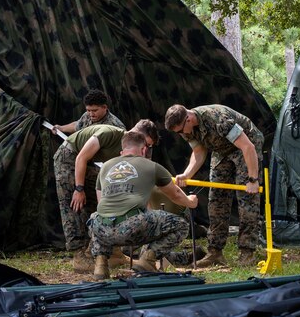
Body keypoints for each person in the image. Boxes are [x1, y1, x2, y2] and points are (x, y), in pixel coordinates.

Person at [88, 130, 199, 279]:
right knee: (181, 225)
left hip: (101, 229)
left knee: (96, 216)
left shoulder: (105, 167)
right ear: (144, 149)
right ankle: (148, 259)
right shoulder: (151, 166)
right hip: (131, 226)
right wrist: (190, 202)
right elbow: (176, 195)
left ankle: (101, 264)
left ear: (122, 151)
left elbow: (101, 202)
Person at [166, 104, 264, 267]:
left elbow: (248, 147)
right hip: (221, 151)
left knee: (247, 199)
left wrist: (253, 180)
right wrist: (186, 174)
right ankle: (215, 253)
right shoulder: (186, 127)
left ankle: (247, 252)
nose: (181, 134)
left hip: (246, 148)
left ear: (188, 119)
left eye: (180, 131)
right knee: (216, 200)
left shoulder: (218, 119)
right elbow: (198, 152)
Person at [54, 119, 157, 273]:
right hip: (69, 158)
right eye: (146, 145)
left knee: (101, 204)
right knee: (74, 204)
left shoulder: (131, 151)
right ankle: (79, 257)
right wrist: (79, 188)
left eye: (149, 147)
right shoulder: (110, 134)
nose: (146, 151)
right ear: (137, 135)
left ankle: (113, 253)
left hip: (89, 164)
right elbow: (81, 158)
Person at [52, 89, 125, 135]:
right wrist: (60, 128)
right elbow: (77, 126)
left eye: (94, 110)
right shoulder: (86, 115)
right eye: (88, 110)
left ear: (104, 107)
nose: (91, 114)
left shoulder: (116, 127)